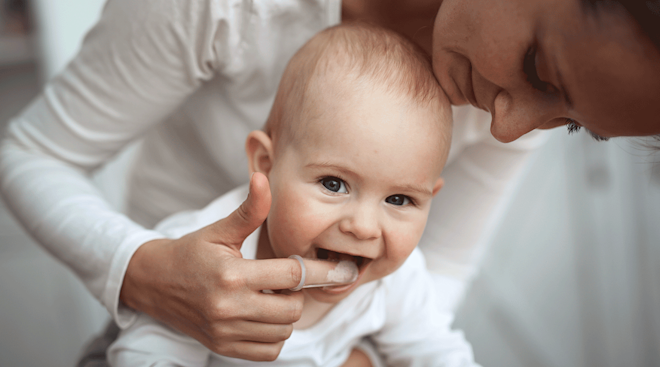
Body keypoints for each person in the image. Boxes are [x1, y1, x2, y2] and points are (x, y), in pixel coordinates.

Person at [0, 0, 658, 363]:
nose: (513, 129)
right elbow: (29, 154)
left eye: (571, 123)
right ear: (261, 160)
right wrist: (145, 272)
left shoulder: (514, 117)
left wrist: (361, 360)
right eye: (541, 69)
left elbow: (436, 281)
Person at [107, 23, 478, 367]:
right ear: (266, 165)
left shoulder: (397, 281)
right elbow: (142, 353)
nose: (364, 228)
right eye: (334, 184)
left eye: (399, 200)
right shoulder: (202, 259)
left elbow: (436, 351)